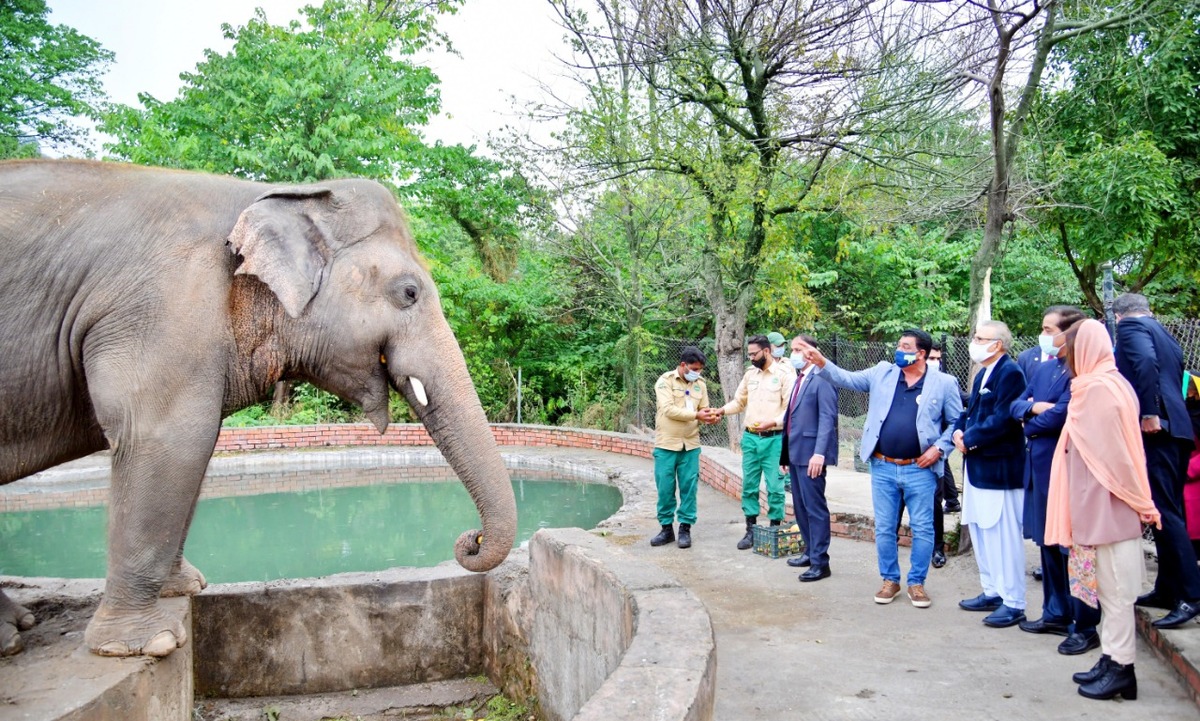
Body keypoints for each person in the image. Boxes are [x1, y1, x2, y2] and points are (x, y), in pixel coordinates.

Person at [799, 329, 962, 608]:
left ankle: (917, 583)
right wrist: (821, 361)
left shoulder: (944, 383)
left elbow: (957, 421)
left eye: (906, 346)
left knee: (923, 529)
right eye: (899, 345)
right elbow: (846, 378)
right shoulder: (882, 372)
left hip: (920, 469)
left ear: (921, 353)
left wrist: (939, 449)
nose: (899, 350)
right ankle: (890, 580)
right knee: (885, 528)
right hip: (883, 466)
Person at [1045, 319, 1162, 701]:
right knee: (1104, 588)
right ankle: (1111, 659)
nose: (1065, 356)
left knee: (1114, 589)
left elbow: (1114, 457)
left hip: (1106, 507)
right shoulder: (1099, 384)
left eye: (1070, 348)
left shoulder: (1099, 389)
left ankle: (1122, 668)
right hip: (1095, 503)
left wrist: (1141, 502)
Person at [1010, 306, 1101, 655]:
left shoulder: (1082, 373)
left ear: (1069, 334)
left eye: (1050, 329)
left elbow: (1063, 415)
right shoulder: (1044, 368)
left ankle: (1083, 621)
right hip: (1039, 466)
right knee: (1048, 545)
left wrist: (1031, 416)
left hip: (1067, 470)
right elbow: (1015, 406)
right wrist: (1033, 409)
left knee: (1072, 550)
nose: (1044, 335)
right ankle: (1055, 612)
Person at [1112, 293, 1200, 629]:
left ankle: (1192, 595)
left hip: (1157, 430)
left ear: (1119, 316)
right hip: (1176, 430)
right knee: (1165, 510)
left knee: (1165, 511)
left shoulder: (1132, 328)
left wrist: (1149, 411)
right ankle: (1167, 588)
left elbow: (1146, 364)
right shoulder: (1163, 332)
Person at [954, 321, 1028, 628]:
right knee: (982, 532)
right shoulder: (984, 371)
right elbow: (971, 408)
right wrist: (958, 429)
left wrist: (969, 439)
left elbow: (1004, 419)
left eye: (980, 338)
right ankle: (992, 590)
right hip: (977, 467)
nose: (975, 342)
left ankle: (1014, 601)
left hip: (999, 469)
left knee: (1002, 536)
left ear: (997, 344)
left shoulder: (1010, 373)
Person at [712, 335, 795, 550]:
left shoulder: (785, 374)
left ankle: (774, 529)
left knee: (775, 488)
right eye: (748, 354)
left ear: (766, 351)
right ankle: (750, 529)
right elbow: (739, 402)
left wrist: (773, 422)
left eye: (753, 354)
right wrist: (721, 410)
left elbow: (791, 408)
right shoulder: (751, 375)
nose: (750, 358)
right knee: (749, 485)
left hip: (774, 439)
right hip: (750, 439)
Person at [779, 335, 838, 582]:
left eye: (798, 349)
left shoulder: (822, 377)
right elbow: (790, 419)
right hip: (795, 453)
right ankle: (809, 551)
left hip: (811, 455)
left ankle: (820, 562)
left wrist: (819, 453)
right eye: (792, 349)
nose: (793, 353)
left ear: (813, 351)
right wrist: (785, 455)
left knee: (815, 508)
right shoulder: (800, 378)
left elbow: (827, 418)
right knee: (801, 507)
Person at [650, 346, 717, 549]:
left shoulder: (700, 385)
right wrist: (697, 415)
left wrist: (710, 416)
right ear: (682, 365)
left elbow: (703, 408)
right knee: (665, 489)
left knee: (689, 488)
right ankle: (666, 529)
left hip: (691, 445)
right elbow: (668, 410)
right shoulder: (665, 381)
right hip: (666, 445)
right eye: (694, 368)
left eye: (700, 369)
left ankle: (685, 529)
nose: (697, 372)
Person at [928, 342, 962, 517]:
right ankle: (952, 500)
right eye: (931, 358)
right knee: (944, 467)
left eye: (938, 359)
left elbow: (959, 401)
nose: (935, 362)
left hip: (943, 436)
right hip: (929, 437)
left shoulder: (945, 381)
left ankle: (951, 501)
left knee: (942, 468)